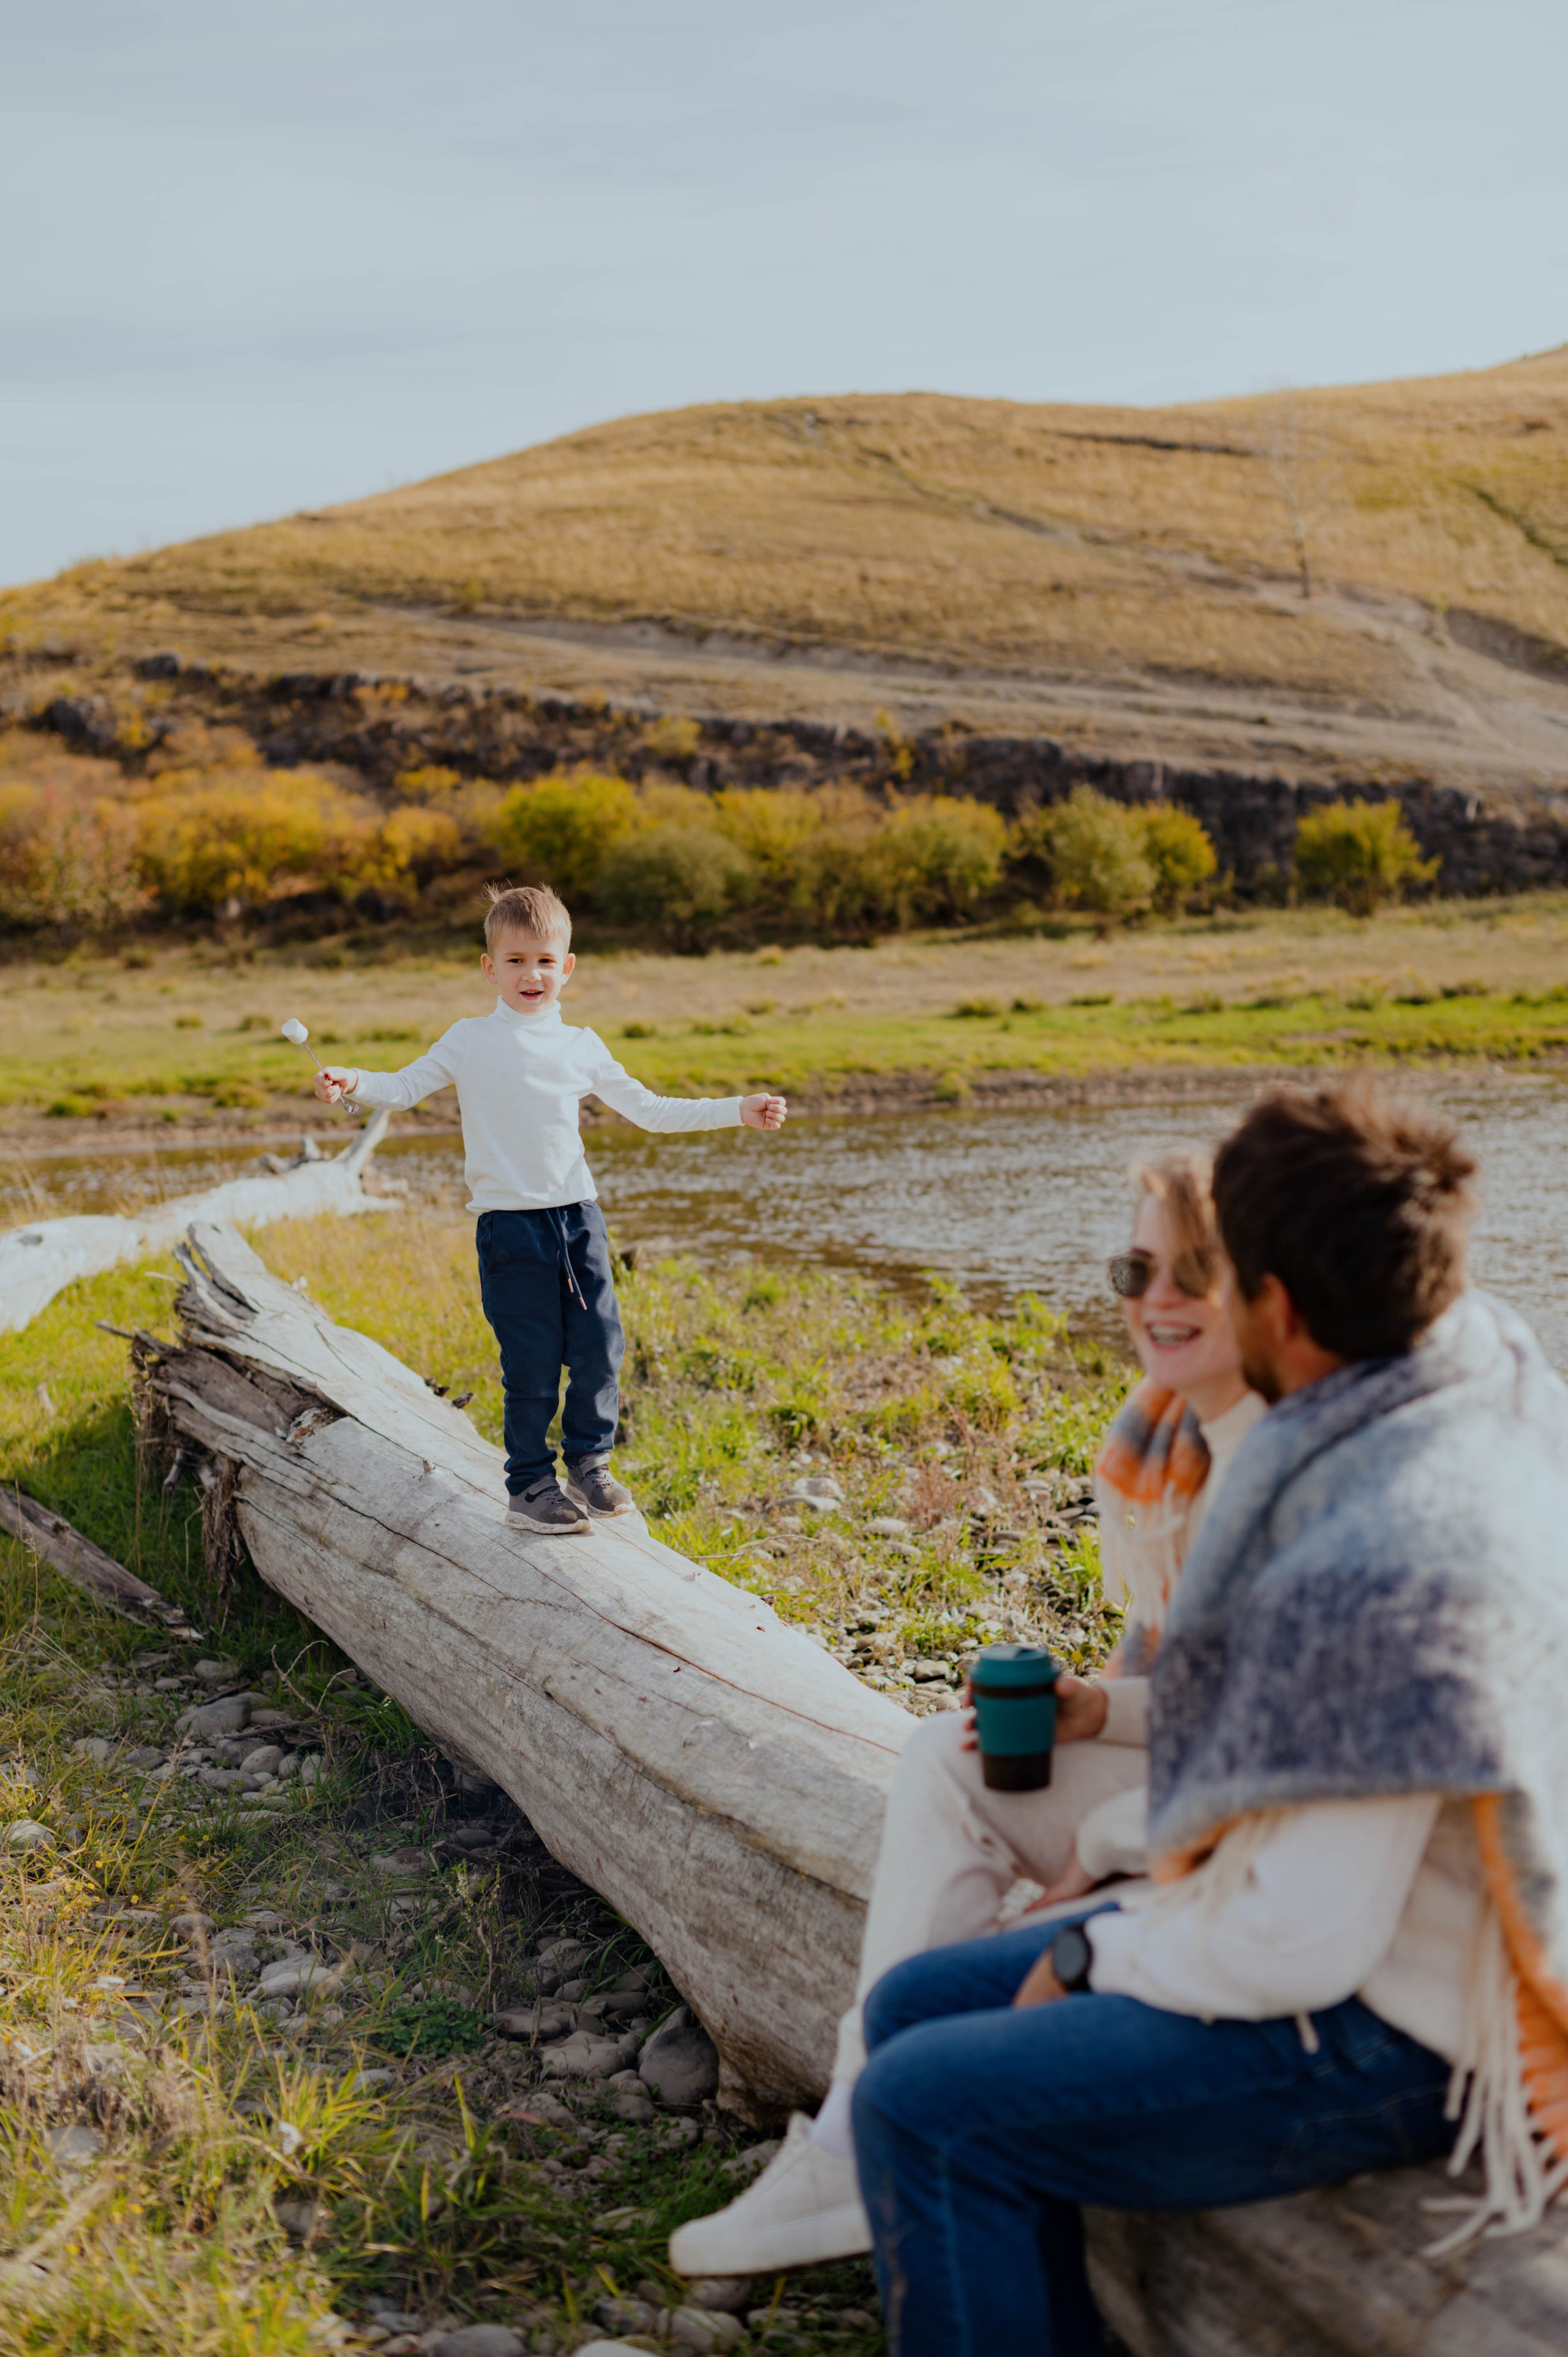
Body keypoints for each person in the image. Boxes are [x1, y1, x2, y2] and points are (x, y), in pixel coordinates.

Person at [845, 1080, 1568, 2357]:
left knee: (916, 2101)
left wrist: (1080, 1958)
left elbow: (1297, 1942)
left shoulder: (1375, 1552)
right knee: (912, 2007)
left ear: (1274, 1308)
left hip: (1412, 2027)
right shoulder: (1476, 1370)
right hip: (1370, 1921)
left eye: (1220, 1272)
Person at [671, 1150, 1265, 2279]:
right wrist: (1097, 1703)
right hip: (1200, 1764)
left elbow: (1283, 1729)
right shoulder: (1174, 1428)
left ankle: (868, 2131)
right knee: (948, 1750)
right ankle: (855, 2127)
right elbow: (1202, 1679)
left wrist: (1101, 1851)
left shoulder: (1292, 1456)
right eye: (1135, 1268)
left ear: (1273, 1284)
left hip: (1272, 1829)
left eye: (1197, 1268)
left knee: (969, 1806)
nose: (1156, 1296)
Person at [314, 883, 786, 1530]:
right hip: (509, 1228)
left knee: (599, 1344)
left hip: (578, 1218)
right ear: (490, 968)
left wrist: (737, 1108)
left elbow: (650, 1111)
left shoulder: (581, 1045)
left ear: (566, 967)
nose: (530, 973)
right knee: (531, 1361)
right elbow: (402, 1086)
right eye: (514, 960)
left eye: (543, 960)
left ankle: (589, 1465)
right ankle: (529, 1485)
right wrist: (352, 1079)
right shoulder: (469, 1039)